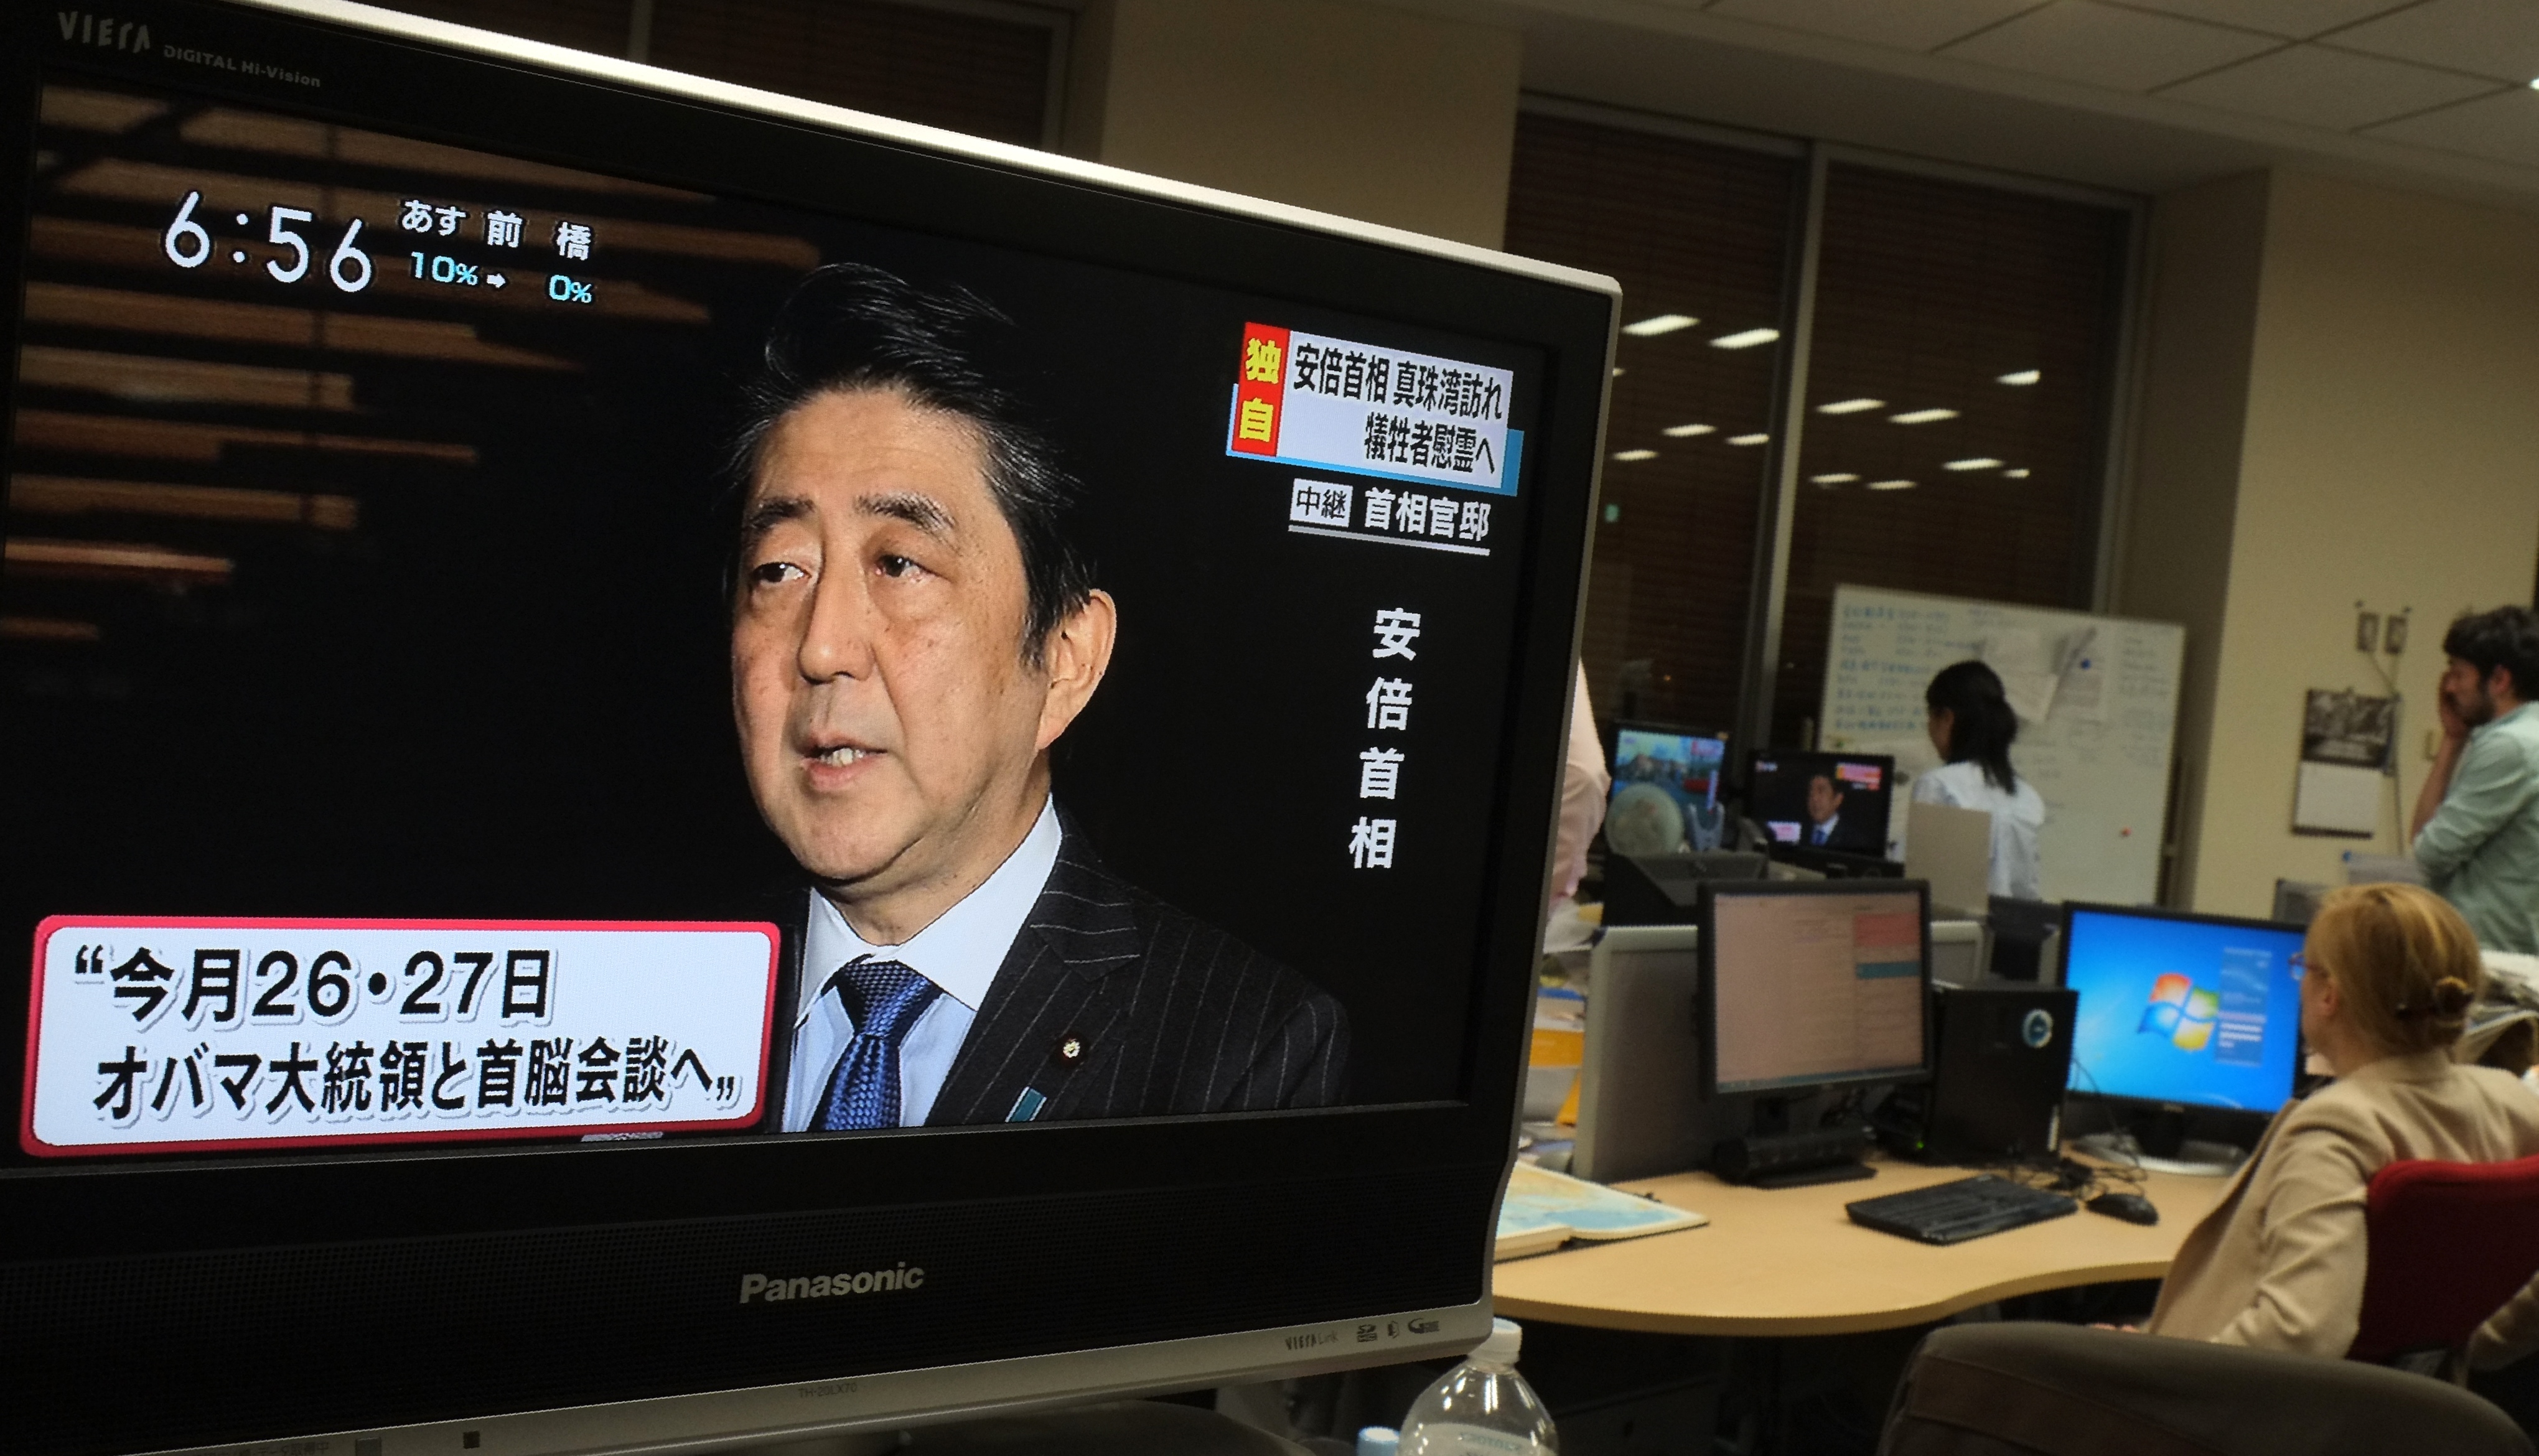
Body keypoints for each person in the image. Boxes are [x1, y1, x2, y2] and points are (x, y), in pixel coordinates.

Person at [726, 263, 1347, 1132]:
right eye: (778, 571)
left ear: (1064, 660)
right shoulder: (636, 982)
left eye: (898, 564)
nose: (821, 647)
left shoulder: (1243, 1052)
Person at [2142, 884, 2539, 1359]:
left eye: (2303, 968)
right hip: (2396, 1398)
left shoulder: (2336, 1128)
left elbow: (2302, 1333)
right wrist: (2480, 1344)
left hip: (2218, 1394)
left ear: (2329, 995)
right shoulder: (2511, 1101)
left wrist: (2153, 1368)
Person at [2411, 605, 2539, 954]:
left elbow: (2428, 855)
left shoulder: (2510, 746)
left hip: (2492, 961)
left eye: (2459, 673)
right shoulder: (2523, 736)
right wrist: (2453, 739)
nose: (2449, 687)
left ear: (2499, 680)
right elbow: (2423, 840)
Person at [1914, 660, 2046, 900]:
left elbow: (1918, 881)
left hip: (1950, 921)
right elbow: (2027, 889)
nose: (1929, 728)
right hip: (2015, 922)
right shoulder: (2027, 796)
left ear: (1947, 718)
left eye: (1931, 716)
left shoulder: (1939, 785)